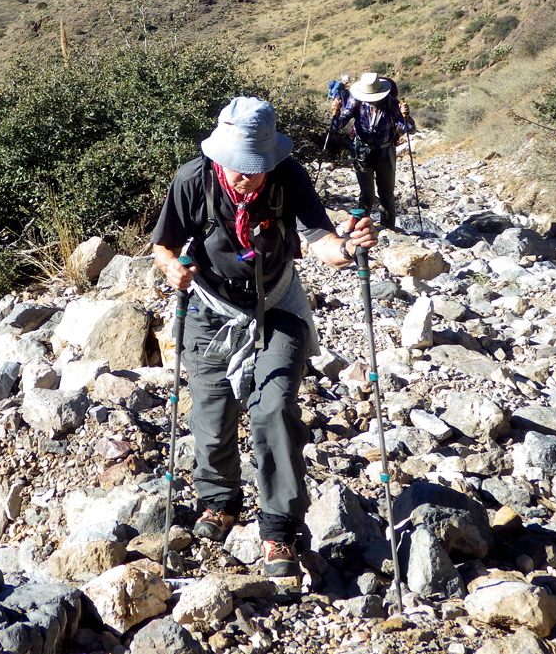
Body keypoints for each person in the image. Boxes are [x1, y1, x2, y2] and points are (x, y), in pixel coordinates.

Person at [152, 97, 377, 577]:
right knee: (211, 415)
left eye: (252, 168)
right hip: (211, 308)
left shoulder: (289, 177)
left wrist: (349, 246)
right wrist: (173, 268)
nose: (242, 176)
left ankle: (279, 529)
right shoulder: (194, 179)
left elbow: (322, 243)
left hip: (277, 303)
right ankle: (220, 501)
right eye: (234, 166)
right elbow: (165, 245)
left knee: (273, 408)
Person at [329, 71, 415, 229]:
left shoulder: (390, 102)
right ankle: (361, 228)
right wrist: (335, 113)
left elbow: (409, 129)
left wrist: (406, 116)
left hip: (384, 153)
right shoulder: (357, 100)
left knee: (387, 196)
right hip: (362, 153)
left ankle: (388, 229)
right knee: (367, 195)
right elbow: (338, 126)